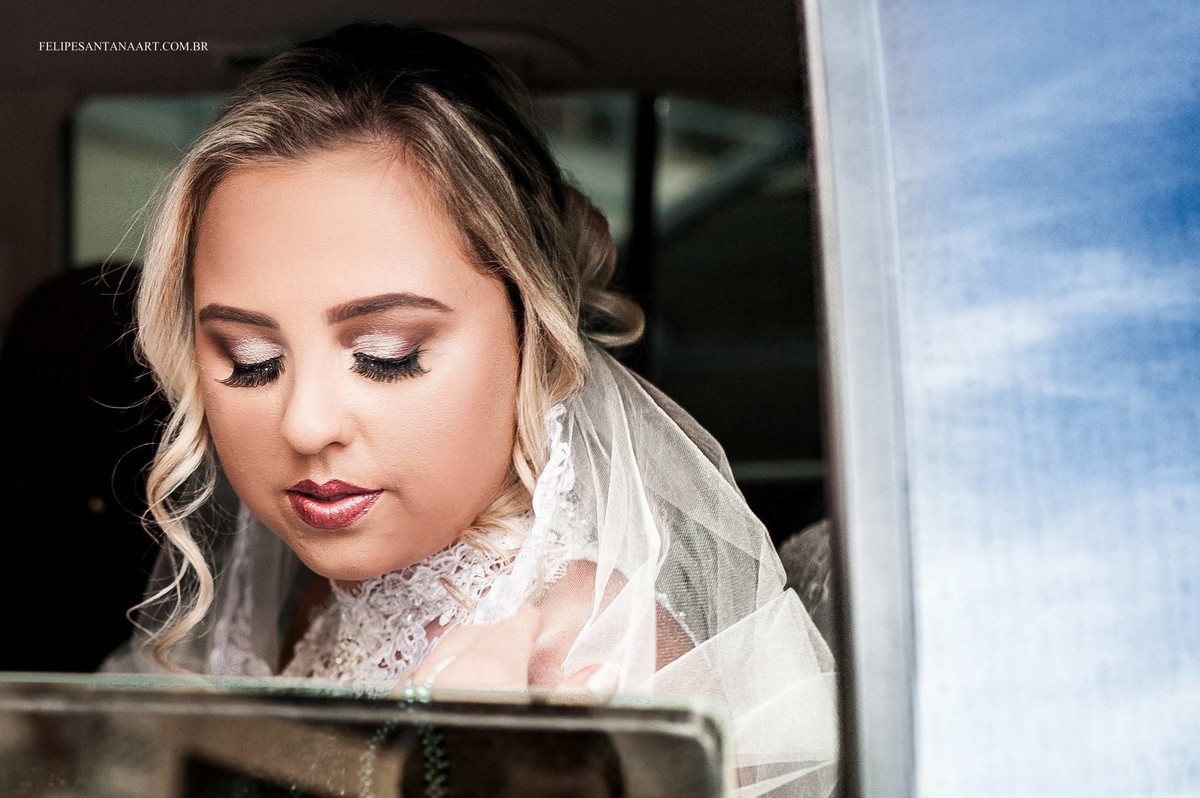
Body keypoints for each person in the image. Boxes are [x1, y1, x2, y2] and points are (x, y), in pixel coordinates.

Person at [102, 23, 839, 796]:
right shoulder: (307, 576)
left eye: (386, 354)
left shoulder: (586, 652)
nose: (305, 424)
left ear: (534, 334)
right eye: (252, 362)